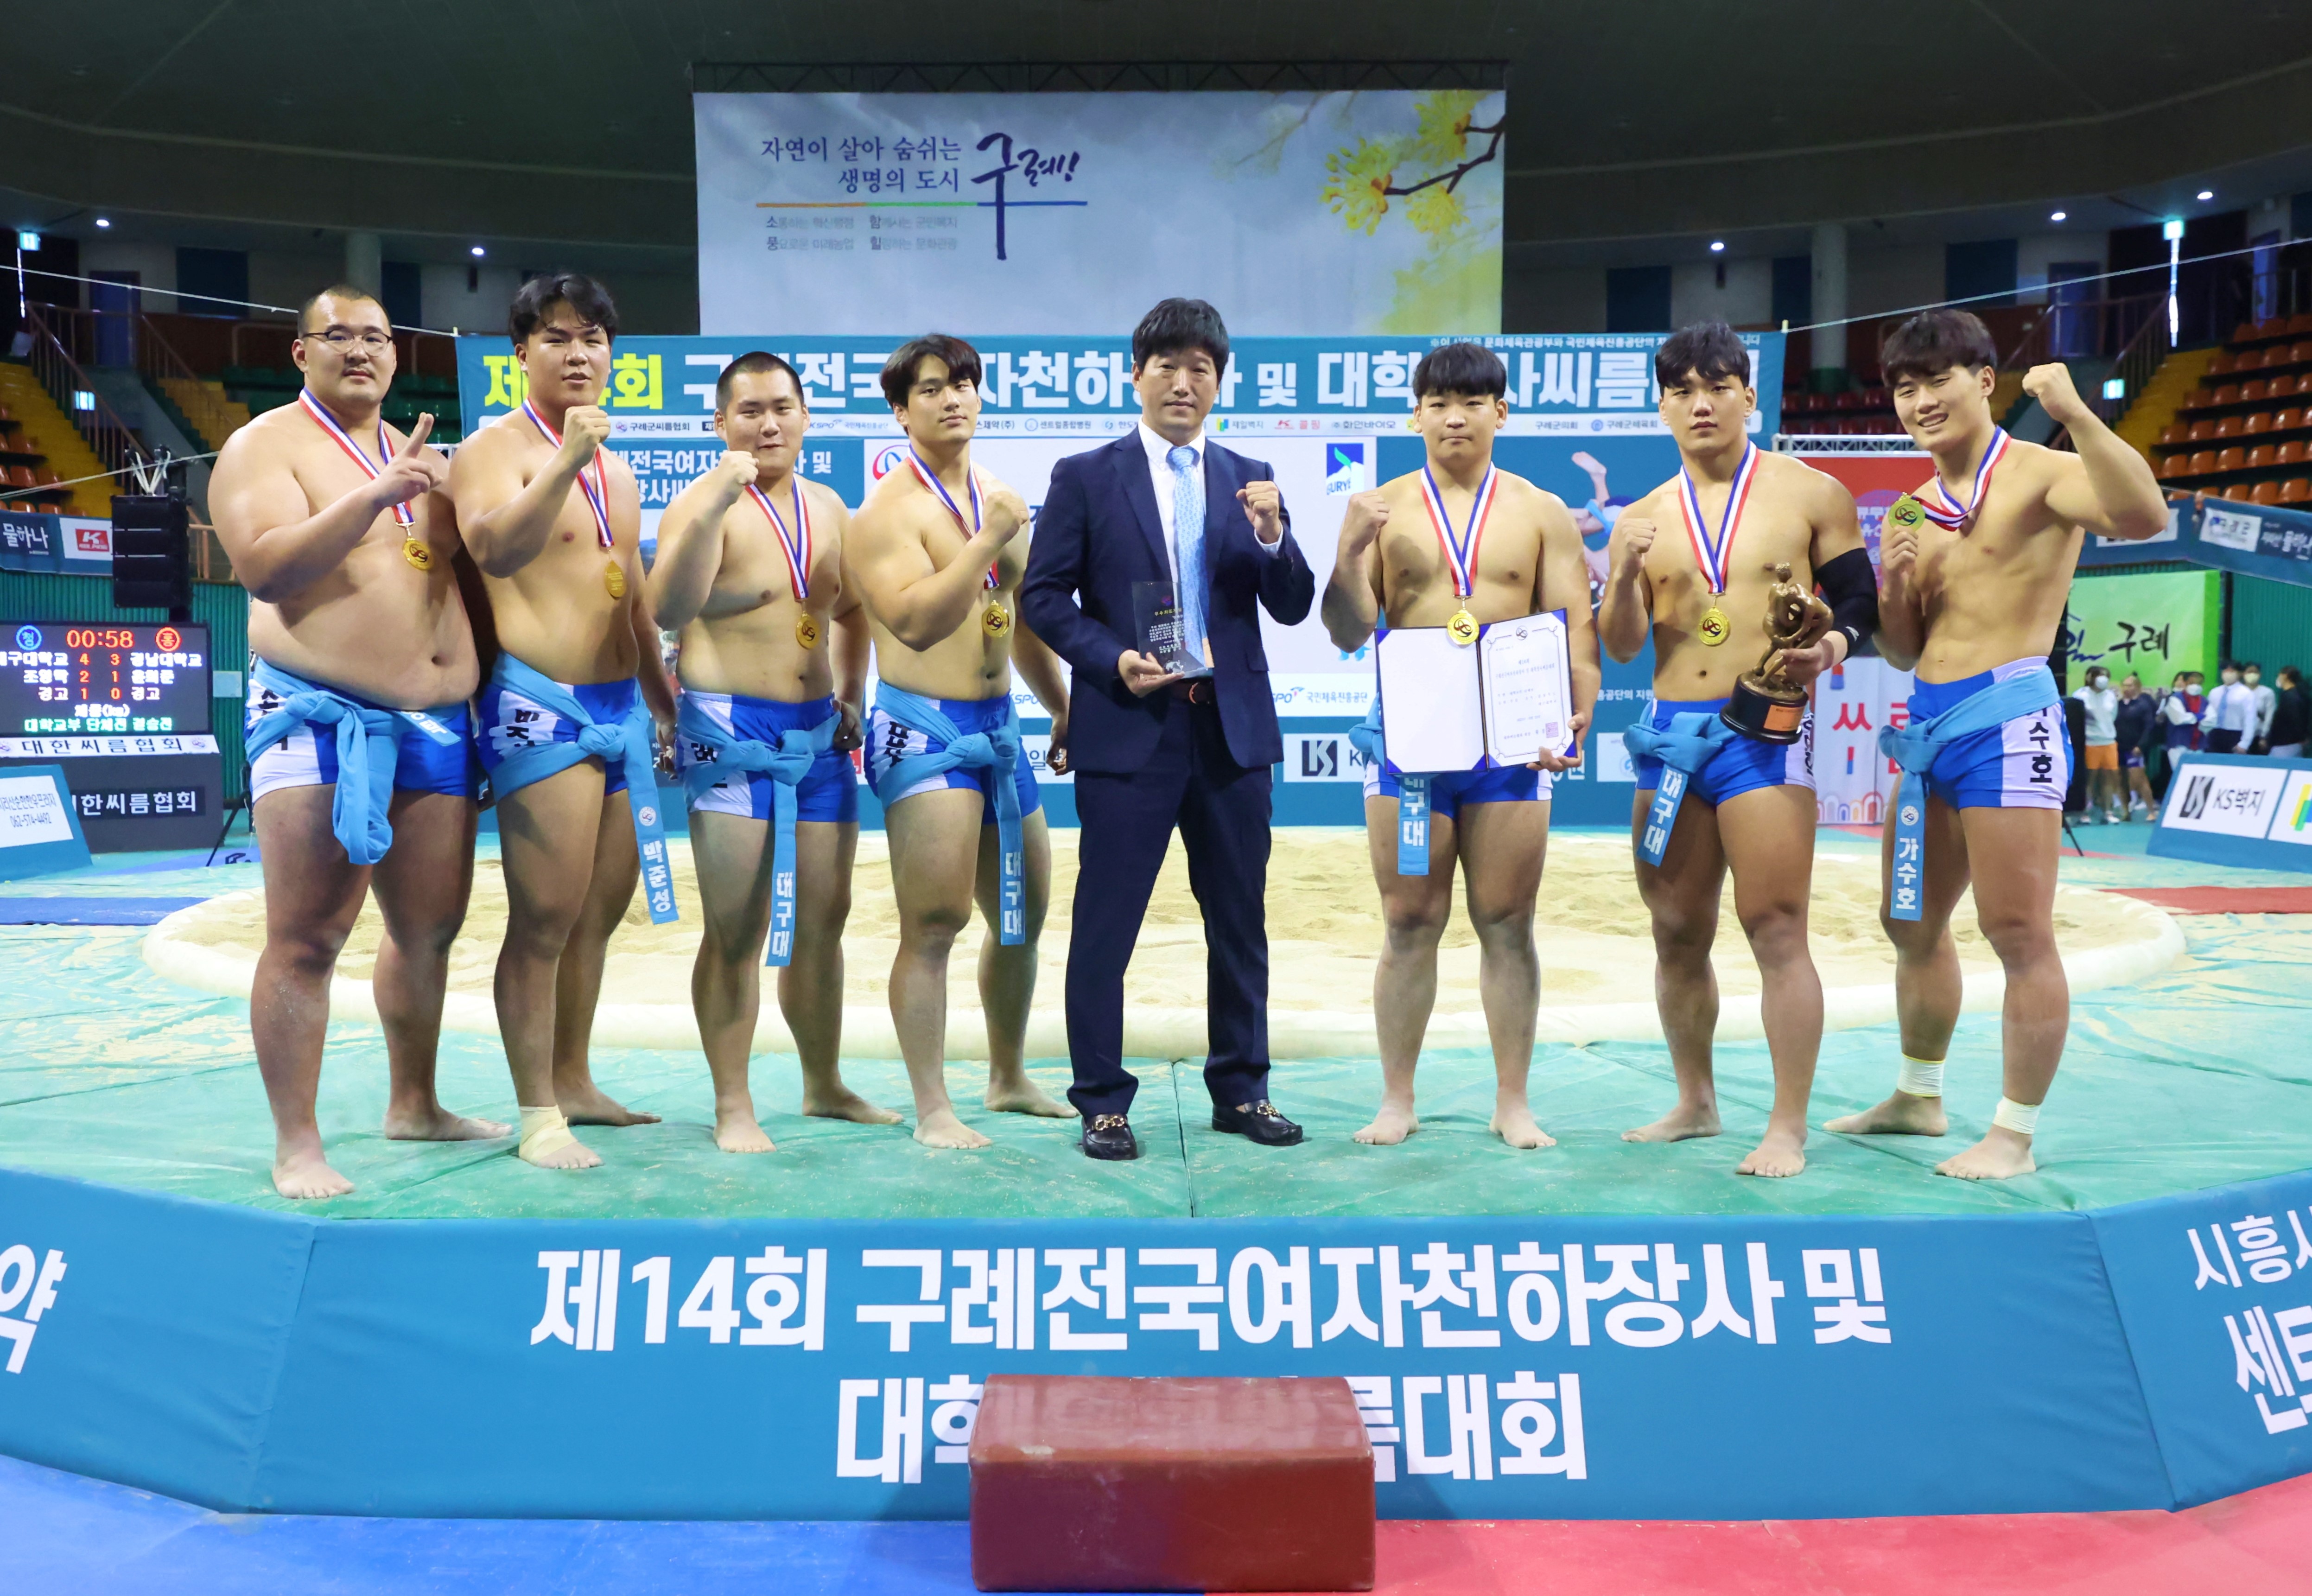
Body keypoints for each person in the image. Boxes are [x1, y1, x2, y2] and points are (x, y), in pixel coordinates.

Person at [1829, 311, 2168, 1179]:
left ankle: (2013, 1134)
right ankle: (1918, 1094)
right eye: (1905, 387)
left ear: (1985, 381)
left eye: (1937, 379)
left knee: (2016, 930)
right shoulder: (1911, 507)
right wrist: (1897, 584)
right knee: (1909, 920)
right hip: (1928, 727)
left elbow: (2144, 515)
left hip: (2009, 721)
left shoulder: (2044, 471)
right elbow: (1904, 649)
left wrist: (2076, 413)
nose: (1920, 400)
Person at [211, 285, 504, 1200]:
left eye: (375, 336)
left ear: (394, 353)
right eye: (337, 335)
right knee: (308, 936)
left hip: (440, 723)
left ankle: (414, 1102)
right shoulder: (264, 446)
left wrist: (486, 698)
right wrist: (373, 497)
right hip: (321, 713)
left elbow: (472, 588)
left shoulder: (432, 461)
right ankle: (297, 1142)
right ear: (302, 352)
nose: (360, 350)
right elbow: (264, 568)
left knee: (428, 929)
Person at [1020, 299, 1317, 1162]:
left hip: (1230, 734)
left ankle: (1243, 1087)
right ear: (1136, 375)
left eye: (1200, 369)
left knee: (1239, 920)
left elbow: (1292, 605)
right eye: (1166, 366)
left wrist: (1275, 536)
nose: (1183, 383)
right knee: (1106, 923)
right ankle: (1102, 1102)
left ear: (1220, 382)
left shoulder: (1251, 477)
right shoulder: (1086, 474)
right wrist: (1109, 658)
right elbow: (1043, 596)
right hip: (1129, 728)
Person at [1596, 322, 1876, 1178]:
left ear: (1749, 396)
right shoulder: (1641, 517)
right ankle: (1695, 1101)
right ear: (1662, 407)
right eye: (1682, 390)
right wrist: (1620, 573)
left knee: (1776, 926)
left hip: (1764, 730)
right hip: (1670, 737)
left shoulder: (1810, 492)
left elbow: (1858, 600)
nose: (1701, 403)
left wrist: (1830, 648)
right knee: (1676, 930)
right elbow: (1620, 644)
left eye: (1717, 386)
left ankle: (1786, 1125)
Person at [1317, 342, 1598, 1149]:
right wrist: (1347, 552)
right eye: (1438, 402)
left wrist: (1577, 712)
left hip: (1511, 740)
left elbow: (1574, 629)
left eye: (1472, 402)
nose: (1454, 417)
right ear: (1415, 414)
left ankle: (1512, 1100)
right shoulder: (1379, 509)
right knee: (1409, 918)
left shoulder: (1541, 510)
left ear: (1499, 412)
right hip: (1410, 739)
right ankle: (1395, 1098)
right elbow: (1345, 630)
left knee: (1507, 918)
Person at [448, 274, 680, 1171]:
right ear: (521, 354)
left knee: (598, 911)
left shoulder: (617, 470)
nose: (578, 353)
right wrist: (564, 461)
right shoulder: (492, 450)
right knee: (544, 915)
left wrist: (665, 705)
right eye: (556, 337)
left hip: (620, 709)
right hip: (539, 703)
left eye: (593, 338)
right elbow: (494, 548)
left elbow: (634, 603)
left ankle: (574, 1076)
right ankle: (536, 1110)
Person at [647, 352, 897, 1152]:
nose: (767, 424)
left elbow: (850, 610)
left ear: (806, 416)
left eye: (782, 407)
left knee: (823, 917)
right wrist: (715, 505)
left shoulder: (828, 506)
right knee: (737, 926)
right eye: (749, 411)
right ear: (720, 423)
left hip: (817, 733)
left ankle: (824, 1083)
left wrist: (851, 690)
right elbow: (667, 607)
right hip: (731, 731)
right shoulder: (699, 504)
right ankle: (733, 1102)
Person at [847, 334, 1077, 1150]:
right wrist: (985, 542)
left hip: (1000, 727)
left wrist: (1061, 705)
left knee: (1022, 914)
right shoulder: (885, 514)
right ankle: (932, 1105)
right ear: (900, 410)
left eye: (965, 384)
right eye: (933, 387)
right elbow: (914, 620)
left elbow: (1014, 617)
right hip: (924, 728)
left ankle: (1007, 1075)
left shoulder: (997, 498)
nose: (953, 398)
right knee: (934, 922)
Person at [2072, 665, 2121, 822]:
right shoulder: (2080, 696)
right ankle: (2085, 813)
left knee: (2108, 778)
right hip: (2090, 743)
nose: (2103, 679)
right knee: (2089, 780)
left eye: (2106, 676)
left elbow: (2113, 716)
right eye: (2100, 676)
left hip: (2108, 741)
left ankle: (2108, 813)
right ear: (2090, 677)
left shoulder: (2111, 696)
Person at [2114, 673, 2158, 820]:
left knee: (2140, 780)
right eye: (2125, 685)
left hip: (2135, 748)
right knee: (2121, 780)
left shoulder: (2143, 705)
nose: (2127, 688)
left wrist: (2141, 746)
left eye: (2130, 685)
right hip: (2119, 747)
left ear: (2137, 687)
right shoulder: (2118, 705)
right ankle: (2126, 811)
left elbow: (2149, 728)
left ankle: (2151, 811)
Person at [2203, 661, 2258, 754]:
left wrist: (2245, 743)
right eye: (2226, 671)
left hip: (2235, 734)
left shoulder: (2246, 693)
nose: (2228, 674)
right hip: (2214, 732)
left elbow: (2250, 719)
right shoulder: (2215, 692)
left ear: (2240, 674)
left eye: (2232, 671)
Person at [2268, 666, 2308, 759]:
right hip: (2291, 743)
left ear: (2285, 676)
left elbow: (2296, 720)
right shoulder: (2294, 695)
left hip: (2286, 744)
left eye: (2279, 675)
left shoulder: (2291, 697)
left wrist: (2300, 738)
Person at [2245, 661, 2277, 754]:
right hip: (2239, 735)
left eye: (2255, 672)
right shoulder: (2238, 692)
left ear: (2260, 675)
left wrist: (2264, 737)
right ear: (2244, 674)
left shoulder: (2267, 693)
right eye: (2249, 672)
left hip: (2258, 736)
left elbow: (2269, 717)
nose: (2252, 675)